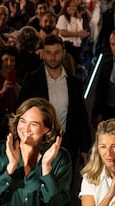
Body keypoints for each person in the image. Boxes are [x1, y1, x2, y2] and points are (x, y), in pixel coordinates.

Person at [19, 34, 91, 167]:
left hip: (67, 144)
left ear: (64, 53)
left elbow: (81, 115)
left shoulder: (74, 83)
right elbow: (21, 112)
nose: (52, 57)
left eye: (57, 53)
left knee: (65, 185)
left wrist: (85, 147)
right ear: (43, 54)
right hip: (38, 143)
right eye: (48, 53)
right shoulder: (31, 80)